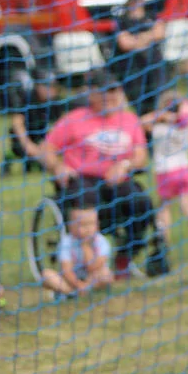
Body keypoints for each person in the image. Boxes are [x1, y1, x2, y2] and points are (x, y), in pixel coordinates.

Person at [41, 71, 162, 276]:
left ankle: (126, 255)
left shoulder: (130, 120)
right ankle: (84, 261)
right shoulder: (74, 119)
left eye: (114, 91)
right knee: (86, 198)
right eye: (104, 92)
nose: (110, 97)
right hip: (82, 180)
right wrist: (58, 167)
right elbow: (47, 149)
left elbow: (141, 156)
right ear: (91, 94)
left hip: (117, 180)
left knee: (140, 201)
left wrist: (125, 165)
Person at [141, 90, 188, 244]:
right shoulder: (186, 125)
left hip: (165, 172)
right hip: (184, 170)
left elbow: (142, 122)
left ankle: (163, 238)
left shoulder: (158, 129)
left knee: (165, 207)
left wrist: (161, 115)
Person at [39, 180, 114, 300]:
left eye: (91, 224)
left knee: (106, 275)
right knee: (46, 275)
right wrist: (78, 285)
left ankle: (80, 292)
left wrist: (85, 246)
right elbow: (66, 270)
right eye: (82, 225)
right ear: (71, 227)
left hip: (92, 278)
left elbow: (93, 267)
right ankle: (70, 291)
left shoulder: (102, 242)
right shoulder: (66, 243)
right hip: (71, 280)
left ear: (97, 225)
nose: (87, 229)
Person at [114, 0, 168, 117]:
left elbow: (160, 33)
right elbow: (124, 43)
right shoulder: (122, 20)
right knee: (139, 101)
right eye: (132, 1)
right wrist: (148, 37)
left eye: (137, 1)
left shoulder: (151, 16)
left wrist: (138, 39)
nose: (135, 4)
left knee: (159, 96)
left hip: (154, 64)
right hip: (134, 66)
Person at [4, 67, 66, 176]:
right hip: (24, 136)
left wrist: (50, 142)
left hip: (42, 135)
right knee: (22, 152)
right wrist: (27, 145)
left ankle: (34, 162)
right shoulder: (27, 98)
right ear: (38, 86)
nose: (51, 90)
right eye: (47, 86)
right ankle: (10, 156)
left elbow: (59, 123)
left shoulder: (56, 101)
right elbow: (17, 123)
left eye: (53, 86)